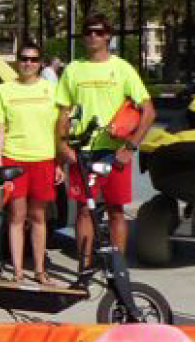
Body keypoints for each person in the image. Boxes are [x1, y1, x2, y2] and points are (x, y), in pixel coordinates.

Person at [56, 14, 155, 257]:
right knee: (82, 210)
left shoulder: (122, 68)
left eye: (98, 32)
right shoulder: (73, 69)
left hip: (114, 152)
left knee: (116, 210)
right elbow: (63, 113)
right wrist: (62, 146)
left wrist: (130, 148)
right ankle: (85, 266)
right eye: (88, 31)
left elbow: (149, 111)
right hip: (83, 151)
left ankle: (118, 266)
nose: (92, 36)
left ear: (108, 36)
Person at [0, 42, 61, 285]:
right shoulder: (3, 90)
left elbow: (58, 129)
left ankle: (40, 271)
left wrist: (59, 163)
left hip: (43, 159)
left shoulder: (52, 90)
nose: (28, 63)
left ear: (40, 63)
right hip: (15, 159)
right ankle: (18, 272)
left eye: (33, 59)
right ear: (17, 61)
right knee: (16, 217)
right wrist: (0, 164)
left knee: (39, 217)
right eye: (24, 59)